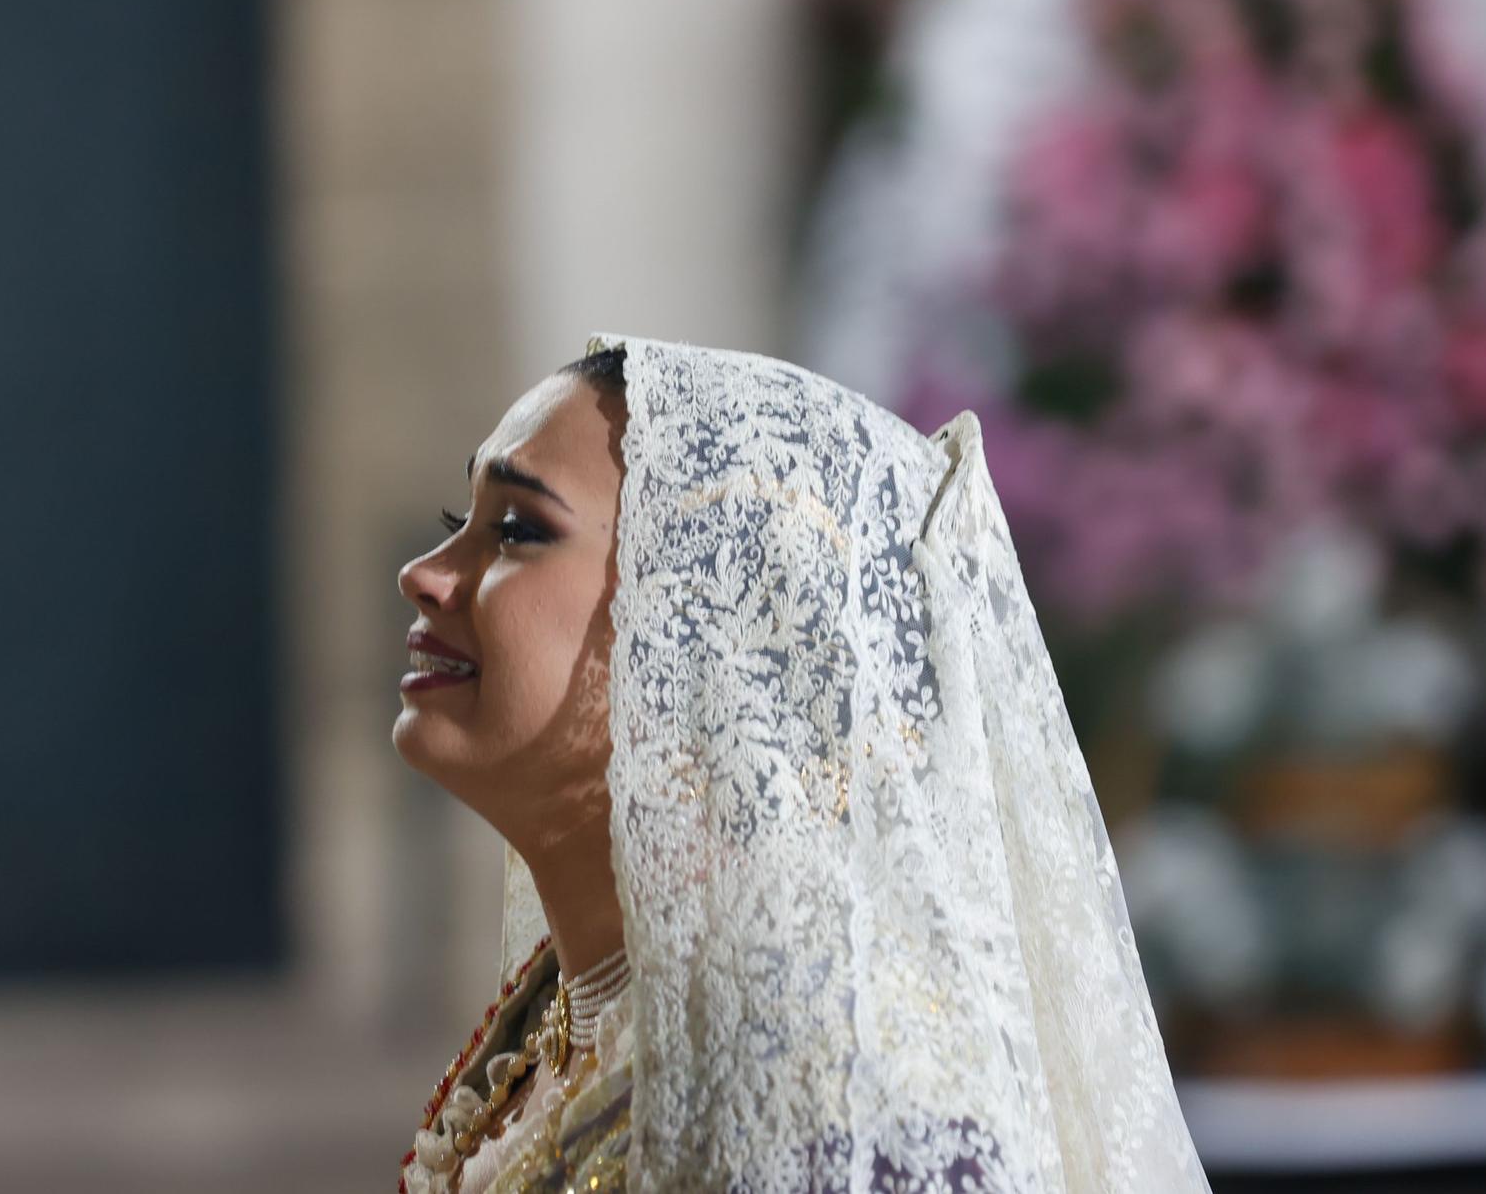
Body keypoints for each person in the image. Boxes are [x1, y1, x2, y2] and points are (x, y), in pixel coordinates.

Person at [392, 332, 1213, 1193]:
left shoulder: (849, 1111)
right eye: (461, 524)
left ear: (715, 639)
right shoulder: (565, 1013)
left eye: (517, 530)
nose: (425, 574)